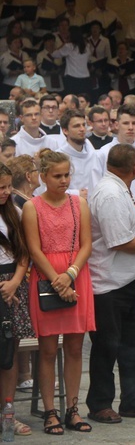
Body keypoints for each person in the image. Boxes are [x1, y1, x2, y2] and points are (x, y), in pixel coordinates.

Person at [86, 144, 135, 424]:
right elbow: (118, 240)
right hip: (107, 284)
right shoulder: (109, 193)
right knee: (106, 346)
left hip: (128, 280)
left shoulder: (121, 189)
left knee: (133, 345)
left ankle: (133, 400)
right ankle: (99, 404)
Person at [23, 150, 96, 434]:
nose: (64, 180)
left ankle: (73, 409)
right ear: (43, 177)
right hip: (46, 277)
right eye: (57, 175)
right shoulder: (33, 206)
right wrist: (57, 280)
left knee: (76, 347)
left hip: (75, 273)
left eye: (67, 174)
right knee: (48, 349)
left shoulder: (79, 204)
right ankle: (49, 410)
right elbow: (33, 249)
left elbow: (86, 244)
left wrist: (70, 275)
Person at [0, 164, 34, 437]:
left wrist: (14, 282)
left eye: (8, 186)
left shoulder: (15, 213)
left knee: (10, 353)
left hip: (12, 285)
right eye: (0, 187)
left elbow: (24, 253)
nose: (5, 192)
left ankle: (8, 412)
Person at [51, 26, 92, 96]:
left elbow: (54, 54)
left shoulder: (69, 46)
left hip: (72, 77)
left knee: (71, 99)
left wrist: (64, 43)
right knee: (83, 99)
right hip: (85, 77)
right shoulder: (87, 46)